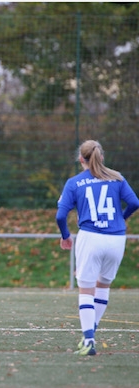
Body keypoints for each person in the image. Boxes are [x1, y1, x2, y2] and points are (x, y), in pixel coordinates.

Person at [56, 140, 139, 356]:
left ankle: (89, 340)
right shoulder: (117, 178)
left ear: (80, 159)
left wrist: (65, 236)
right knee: (103, 286)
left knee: (86, 289)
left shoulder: (74, 183)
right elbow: (135, 203)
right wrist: (120, 218)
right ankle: (91, 333)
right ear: (101, 157)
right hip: (116, 239)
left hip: (90, 237)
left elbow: (60, 215)